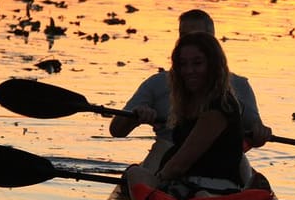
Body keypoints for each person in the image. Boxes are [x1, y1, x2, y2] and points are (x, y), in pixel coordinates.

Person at [109, 9, 271, 172]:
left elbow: (255, 131)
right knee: (139, 174)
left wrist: (260, 133)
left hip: (221, 155)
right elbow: (116, 130)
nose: (191, 41)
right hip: (168, 147)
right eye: (184, 35)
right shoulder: (157, 83)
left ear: (213, 41)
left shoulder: (239, 85)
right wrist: (135, 117)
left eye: (198, 36)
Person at [124, 31, 244, 200]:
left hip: (214, 188)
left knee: (135, 173)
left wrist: (158, 178)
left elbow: (179, 165)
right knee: (136, 173)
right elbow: (116, 129)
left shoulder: (219, 106)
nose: (189, 71)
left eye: (197, 63)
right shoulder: (190, 103)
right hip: (189, 185)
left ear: (213, 65)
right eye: (183, 64)